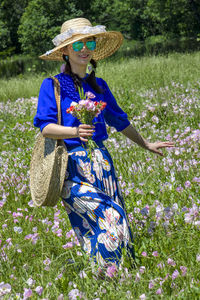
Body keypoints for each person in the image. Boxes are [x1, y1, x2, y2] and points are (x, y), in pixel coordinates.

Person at [34, 18, 173, 273]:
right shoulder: (52, 85)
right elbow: (45, 126)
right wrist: (74, 131)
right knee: (107, 215)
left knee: (114, 221)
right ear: (65, 51)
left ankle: (113, 275)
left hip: (102, 162)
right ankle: (110, 274)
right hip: (71, 166)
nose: (85, 49)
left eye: (89, 42)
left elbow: (119, 121)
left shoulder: (98, 86)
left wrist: (146, 144)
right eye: (78, 44)